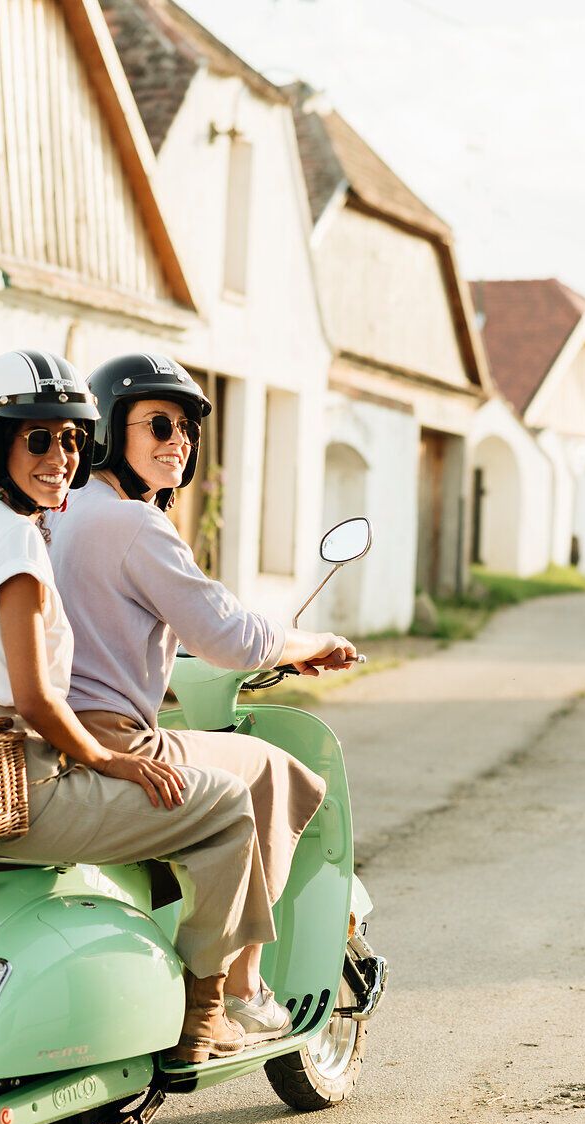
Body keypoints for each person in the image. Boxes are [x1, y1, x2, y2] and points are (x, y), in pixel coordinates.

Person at [0, 348, 268, 1062]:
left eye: (72, 438)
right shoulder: (14, 539)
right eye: (39, 438)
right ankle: (206, 1013)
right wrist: (107, 759)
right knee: (228, 806)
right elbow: (36, 696)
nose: (61, 456)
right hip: (28, 784)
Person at [49, 353, 357, 1045]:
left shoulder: (62, 512)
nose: (178, 440)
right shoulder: (135, 524)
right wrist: (311, 640)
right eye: (158, 423)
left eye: (187, 428)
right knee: (274, 770)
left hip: (64, 732)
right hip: (121, 740)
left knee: (237, 766)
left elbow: (118, 625)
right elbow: (233, 637)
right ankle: (240, 985)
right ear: (108, 431)